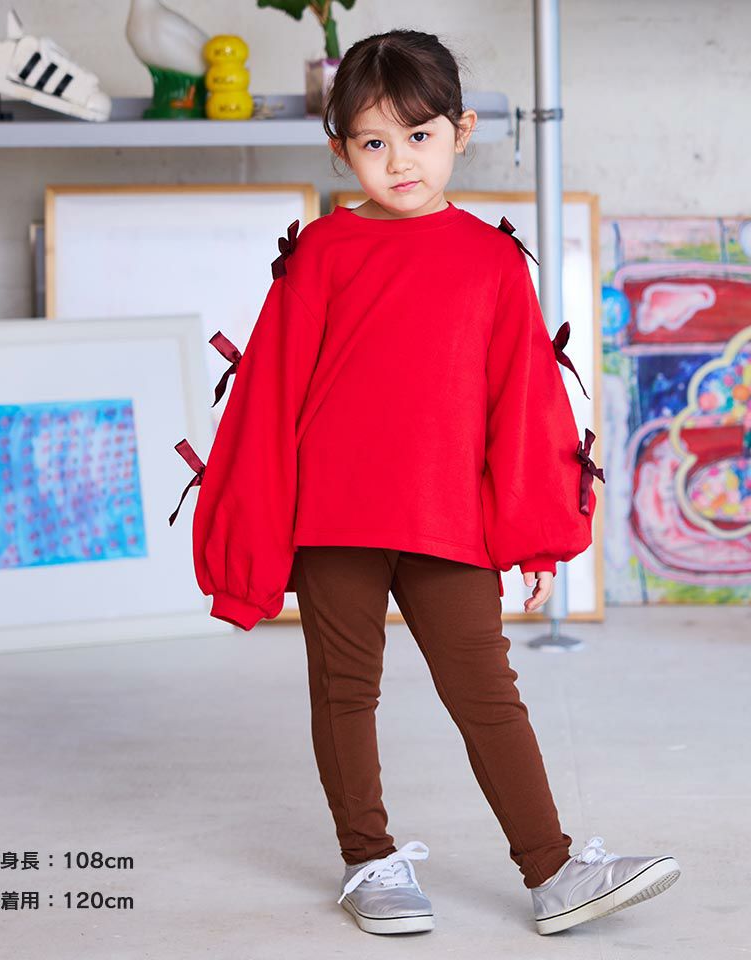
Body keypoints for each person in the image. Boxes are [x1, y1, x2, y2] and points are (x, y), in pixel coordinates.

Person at [173, 28, 680, 938]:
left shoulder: (491, 261)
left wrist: (533, 534)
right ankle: (367, 859)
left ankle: (553, 870)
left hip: (448, 519)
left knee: (486, 689)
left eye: (418, 135)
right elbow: (270, 397)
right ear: (341, 149)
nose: (399, 161)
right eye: (373, 141)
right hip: (334, 520)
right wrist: (252, 544)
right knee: (345, 688)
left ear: (461, 130)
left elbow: (522, 406)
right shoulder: (322, 254)